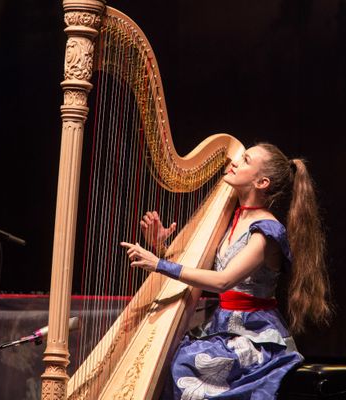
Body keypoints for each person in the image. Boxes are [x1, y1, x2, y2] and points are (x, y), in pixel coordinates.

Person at [121, 143, 331, 400]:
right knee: (166, 357)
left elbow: (223, 281)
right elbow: (201, 271)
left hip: (253, 333)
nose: (233, 163)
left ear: (262, 182)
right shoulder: (234, 219)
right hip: (221, 324)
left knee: (184, 364)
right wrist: (161, 247)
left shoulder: (266, 232)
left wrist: (159, 264)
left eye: (245, 160)